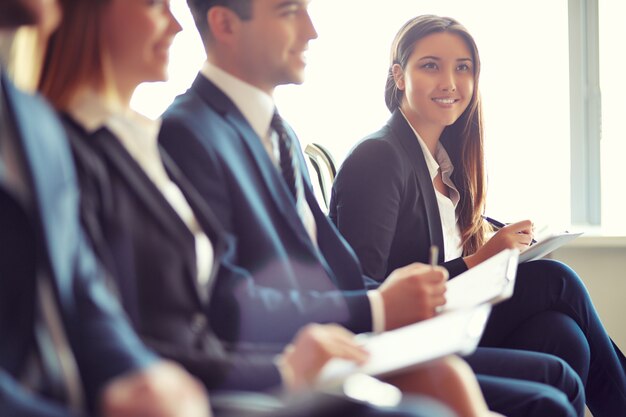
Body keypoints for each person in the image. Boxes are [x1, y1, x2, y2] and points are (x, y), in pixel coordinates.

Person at [35, 1, 494, 416]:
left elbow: (225, 283)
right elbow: (180, 320)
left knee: (476, 372)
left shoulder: (147, 138)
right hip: (222, 375)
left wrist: (382, 309)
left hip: (282, 349)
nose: (176, 24)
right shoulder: (162, 136)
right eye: (289, 10)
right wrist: (290, 365)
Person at [158, 1, 586, 417]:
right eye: (291, 10)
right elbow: (227, 297)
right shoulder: (189, 133)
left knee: (558, 354)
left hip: (355, 336)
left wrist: (400, 296)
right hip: (309, 353)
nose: (312, 29)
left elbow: (337, 270)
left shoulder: (280, 132)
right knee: (551, 376)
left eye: (463, 68)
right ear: (226, 25)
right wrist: (380, 307)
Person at [329, 14, 626, 417]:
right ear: (399, 76)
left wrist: (498, 244)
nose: (450, 82)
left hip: (457, 322)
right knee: (557, 281)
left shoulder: (441, 164)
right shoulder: (378, 157)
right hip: (408, 339)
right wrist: (481, 260)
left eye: (462, 68)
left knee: (564, 335)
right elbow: (365, 289)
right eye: (431, 65)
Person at [0, 1, 211, 417]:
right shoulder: (69, 132)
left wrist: (141, 376)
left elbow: (83, 290)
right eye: (154, 4)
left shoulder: (34, 122)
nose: (176, 25)